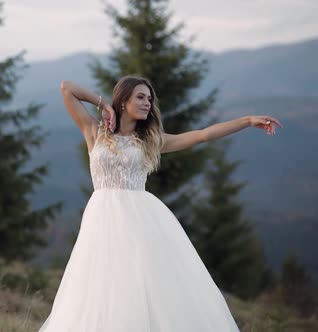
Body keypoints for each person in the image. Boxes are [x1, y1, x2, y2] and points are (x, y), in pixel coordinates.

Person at [38, 76, 282, 331]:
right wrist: (104, 105)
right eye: (141, 97)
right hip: (101, 222)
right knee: (98, 286)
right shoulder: (94, 132)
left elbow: (202, 135)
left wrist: (246, 121)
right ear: (123, 100)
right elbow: (67, 88)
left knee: (135, 287)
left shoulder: (151, 141)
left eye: (150, 99)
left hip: (138, 223)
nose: (148, 103)